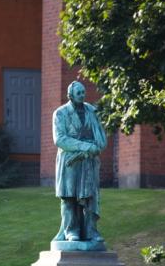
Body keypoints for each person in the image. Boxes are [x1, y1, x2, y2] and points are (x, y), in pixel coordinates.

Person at [52, 81, 107, 242]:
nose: (82, 95)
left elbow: (100, 136)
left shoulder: (92, 111)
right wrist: (85, 146)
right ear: (70, 95)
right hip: (70, 161)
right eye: (79, 93)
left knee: (90, 197)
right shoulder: (60, 113)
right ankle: (71, 231)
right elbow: (60, 139)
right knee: (69, 196)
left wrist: (94, 147)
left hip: (88, 161)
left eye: (83, 92)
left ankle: (91, 230)